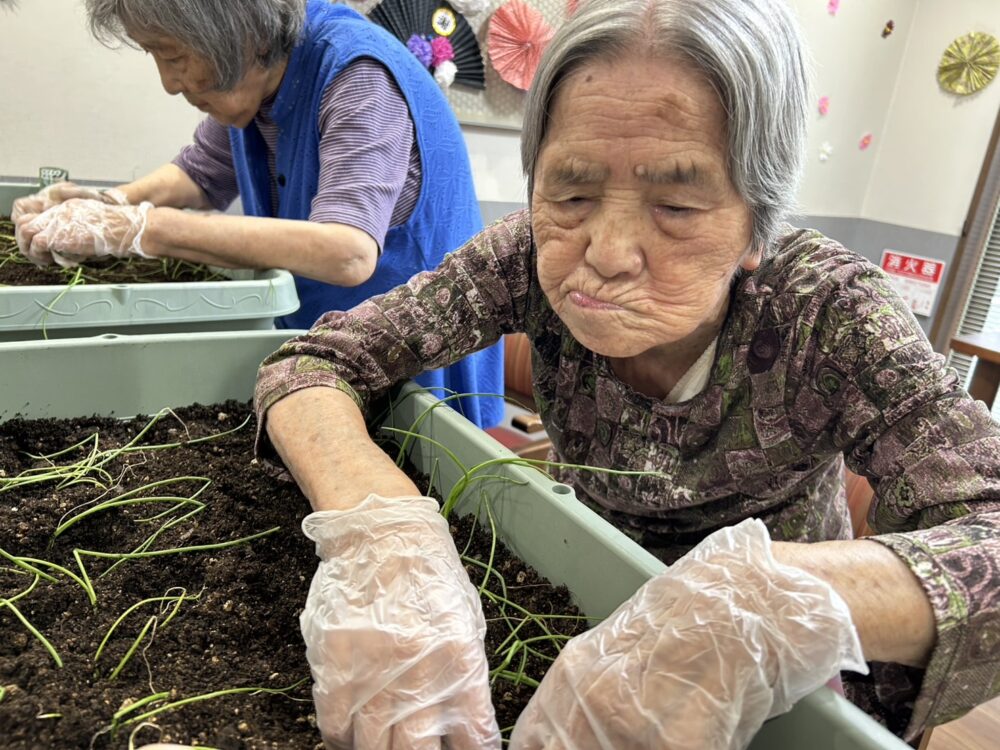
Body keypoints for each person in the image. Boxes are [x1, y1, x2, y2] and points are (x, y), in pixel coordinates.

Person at [253, 0, 1000, 747]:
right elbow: (315, 360)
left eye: (675, 203)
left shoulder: (829, 311)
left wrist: (761, 600)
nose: (606, 250)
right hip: (575, 593)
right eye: (570, 192)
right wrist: (382, 527)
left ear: (757, 221)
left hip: (769, 676)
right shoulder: (522, 258)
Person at [12, 0, 503, 428]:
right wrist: (109, 205)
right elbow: (200, 173)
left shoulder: (358, 76)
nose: (168, 82)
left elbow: (348, 252)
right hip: (328, 342)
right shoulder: (257, 83)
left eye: (172, 53)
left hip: (410, 352)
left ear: (238, 33)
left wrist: (146, 229)